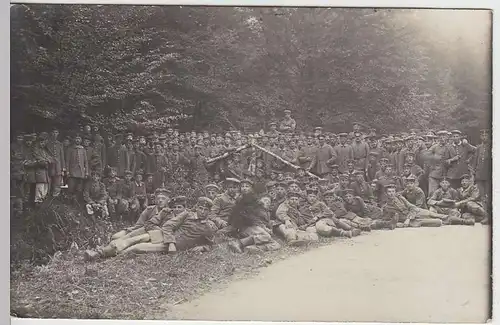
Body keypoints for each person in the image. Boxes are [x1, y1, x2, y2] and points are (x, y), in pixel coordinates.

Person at [84, 188, 173, 260]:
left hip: (153, 236)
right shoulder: (149, 209)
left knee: (128, 242)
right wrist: (128, 232)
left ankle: (100, 253)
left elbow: (164, 231)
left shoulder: (170, 214)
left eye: (163, 199)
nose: (160, 201)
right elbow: (139, 225)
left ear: (168, 200)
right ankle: (105, 248)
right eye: (158, 198)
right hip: (143, 229)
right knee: (116, 237)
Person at [227, 179, 281, 253]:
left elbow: (257, 216)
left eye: (247, 186)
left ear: (251, 188)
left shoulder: (253, 199)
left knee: (275, 244)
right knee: (266, 236)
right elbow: (243, 216)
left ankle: (252, 248)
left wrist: (263, 226)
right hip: (244, 227)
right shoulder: (240, 200)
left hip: (253, 225)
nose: (244, 188)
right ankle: (239, 243)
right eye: (242, 186)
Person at [382, 184, 447, 228]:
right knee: (438, 222)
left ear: (395, 192)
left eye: (393, 191)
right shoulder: (386, 207)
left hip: (415, 212)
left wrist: (408, 218)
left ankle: (453, 220)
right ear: (386, 193)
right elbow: (387, 220)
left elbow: (412, 207)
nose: (391, 194)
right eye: (389, 192)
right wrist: (398, 224)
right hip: (412, 221)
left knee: (437, 215)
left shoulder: (400, 198)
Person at [470, 129, 491, 213]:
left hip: (489, 175)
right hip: (479, 175)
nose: (484, 137)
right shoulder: (478, 147)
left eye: (486, 135)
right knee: (482, 195)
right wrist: (473, 172)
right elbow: (475, 160)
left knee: (489, 194)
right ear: (480, 137)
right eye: (482, 135)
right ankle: (485, 213)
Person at [46, 128, 65, 197]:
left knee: (58, 180)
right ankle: (47, 194)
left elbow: (62, 156)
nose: (55, 134)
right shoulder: (47, 143)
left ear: (58, 134)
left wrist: (63, 168)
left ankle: (55, 195)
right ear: (51, 133)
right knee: (49, 179)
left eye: (56, 132)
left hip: (58, 165)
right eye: (53, 132)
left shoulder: (60, 144)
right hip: (50, 164)